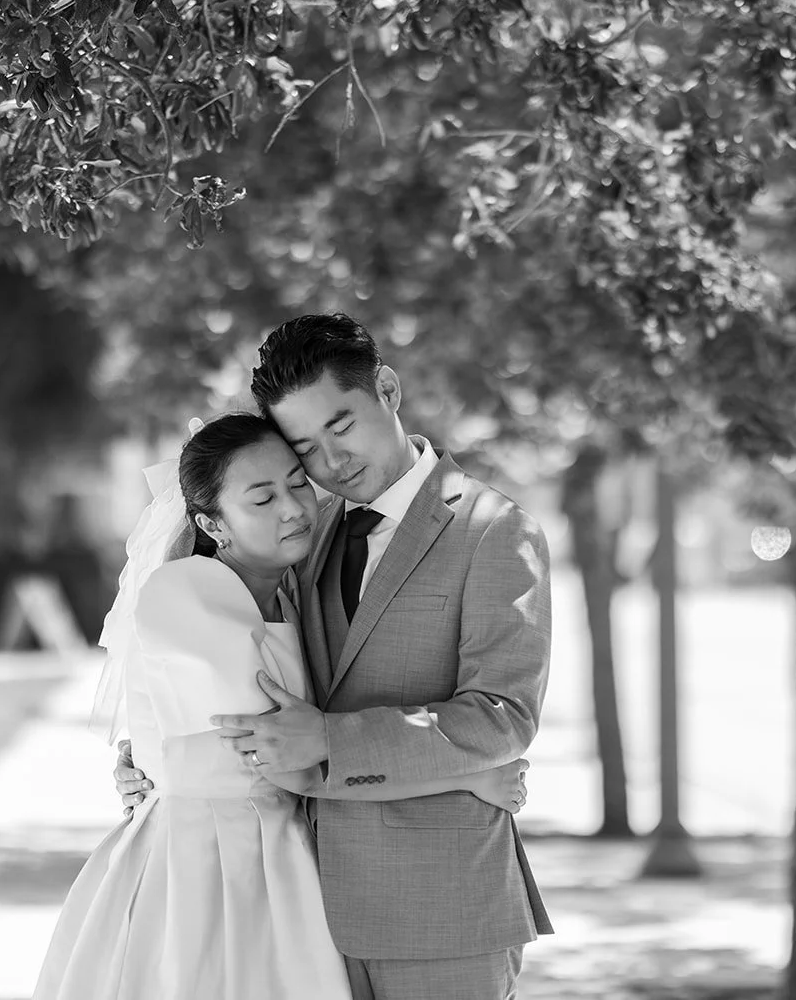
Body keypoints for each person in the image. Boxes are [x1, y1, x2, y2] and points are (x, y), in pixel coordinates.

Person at [116, 313, 554, 1000]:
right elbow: (221, 652)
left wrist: (329, 742)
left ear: (387, 387)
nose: (331, 462)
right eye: (306, 447)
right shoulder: (303, 528)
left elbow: (502, 717)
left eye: (342, 426)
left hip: (442, 911)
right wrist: (150, 754)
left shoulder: (494, 531)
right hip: (305, 914)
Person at [35, 413, 529, 1000]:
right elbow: (288, 761)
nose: (294, 507)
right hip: (210, 867)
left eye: (298, 483)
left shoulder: (290, 588)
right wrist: (468, 777)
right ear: (211, 523)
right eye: (262, 498)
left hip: (284, 856)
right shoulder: (192, 593)